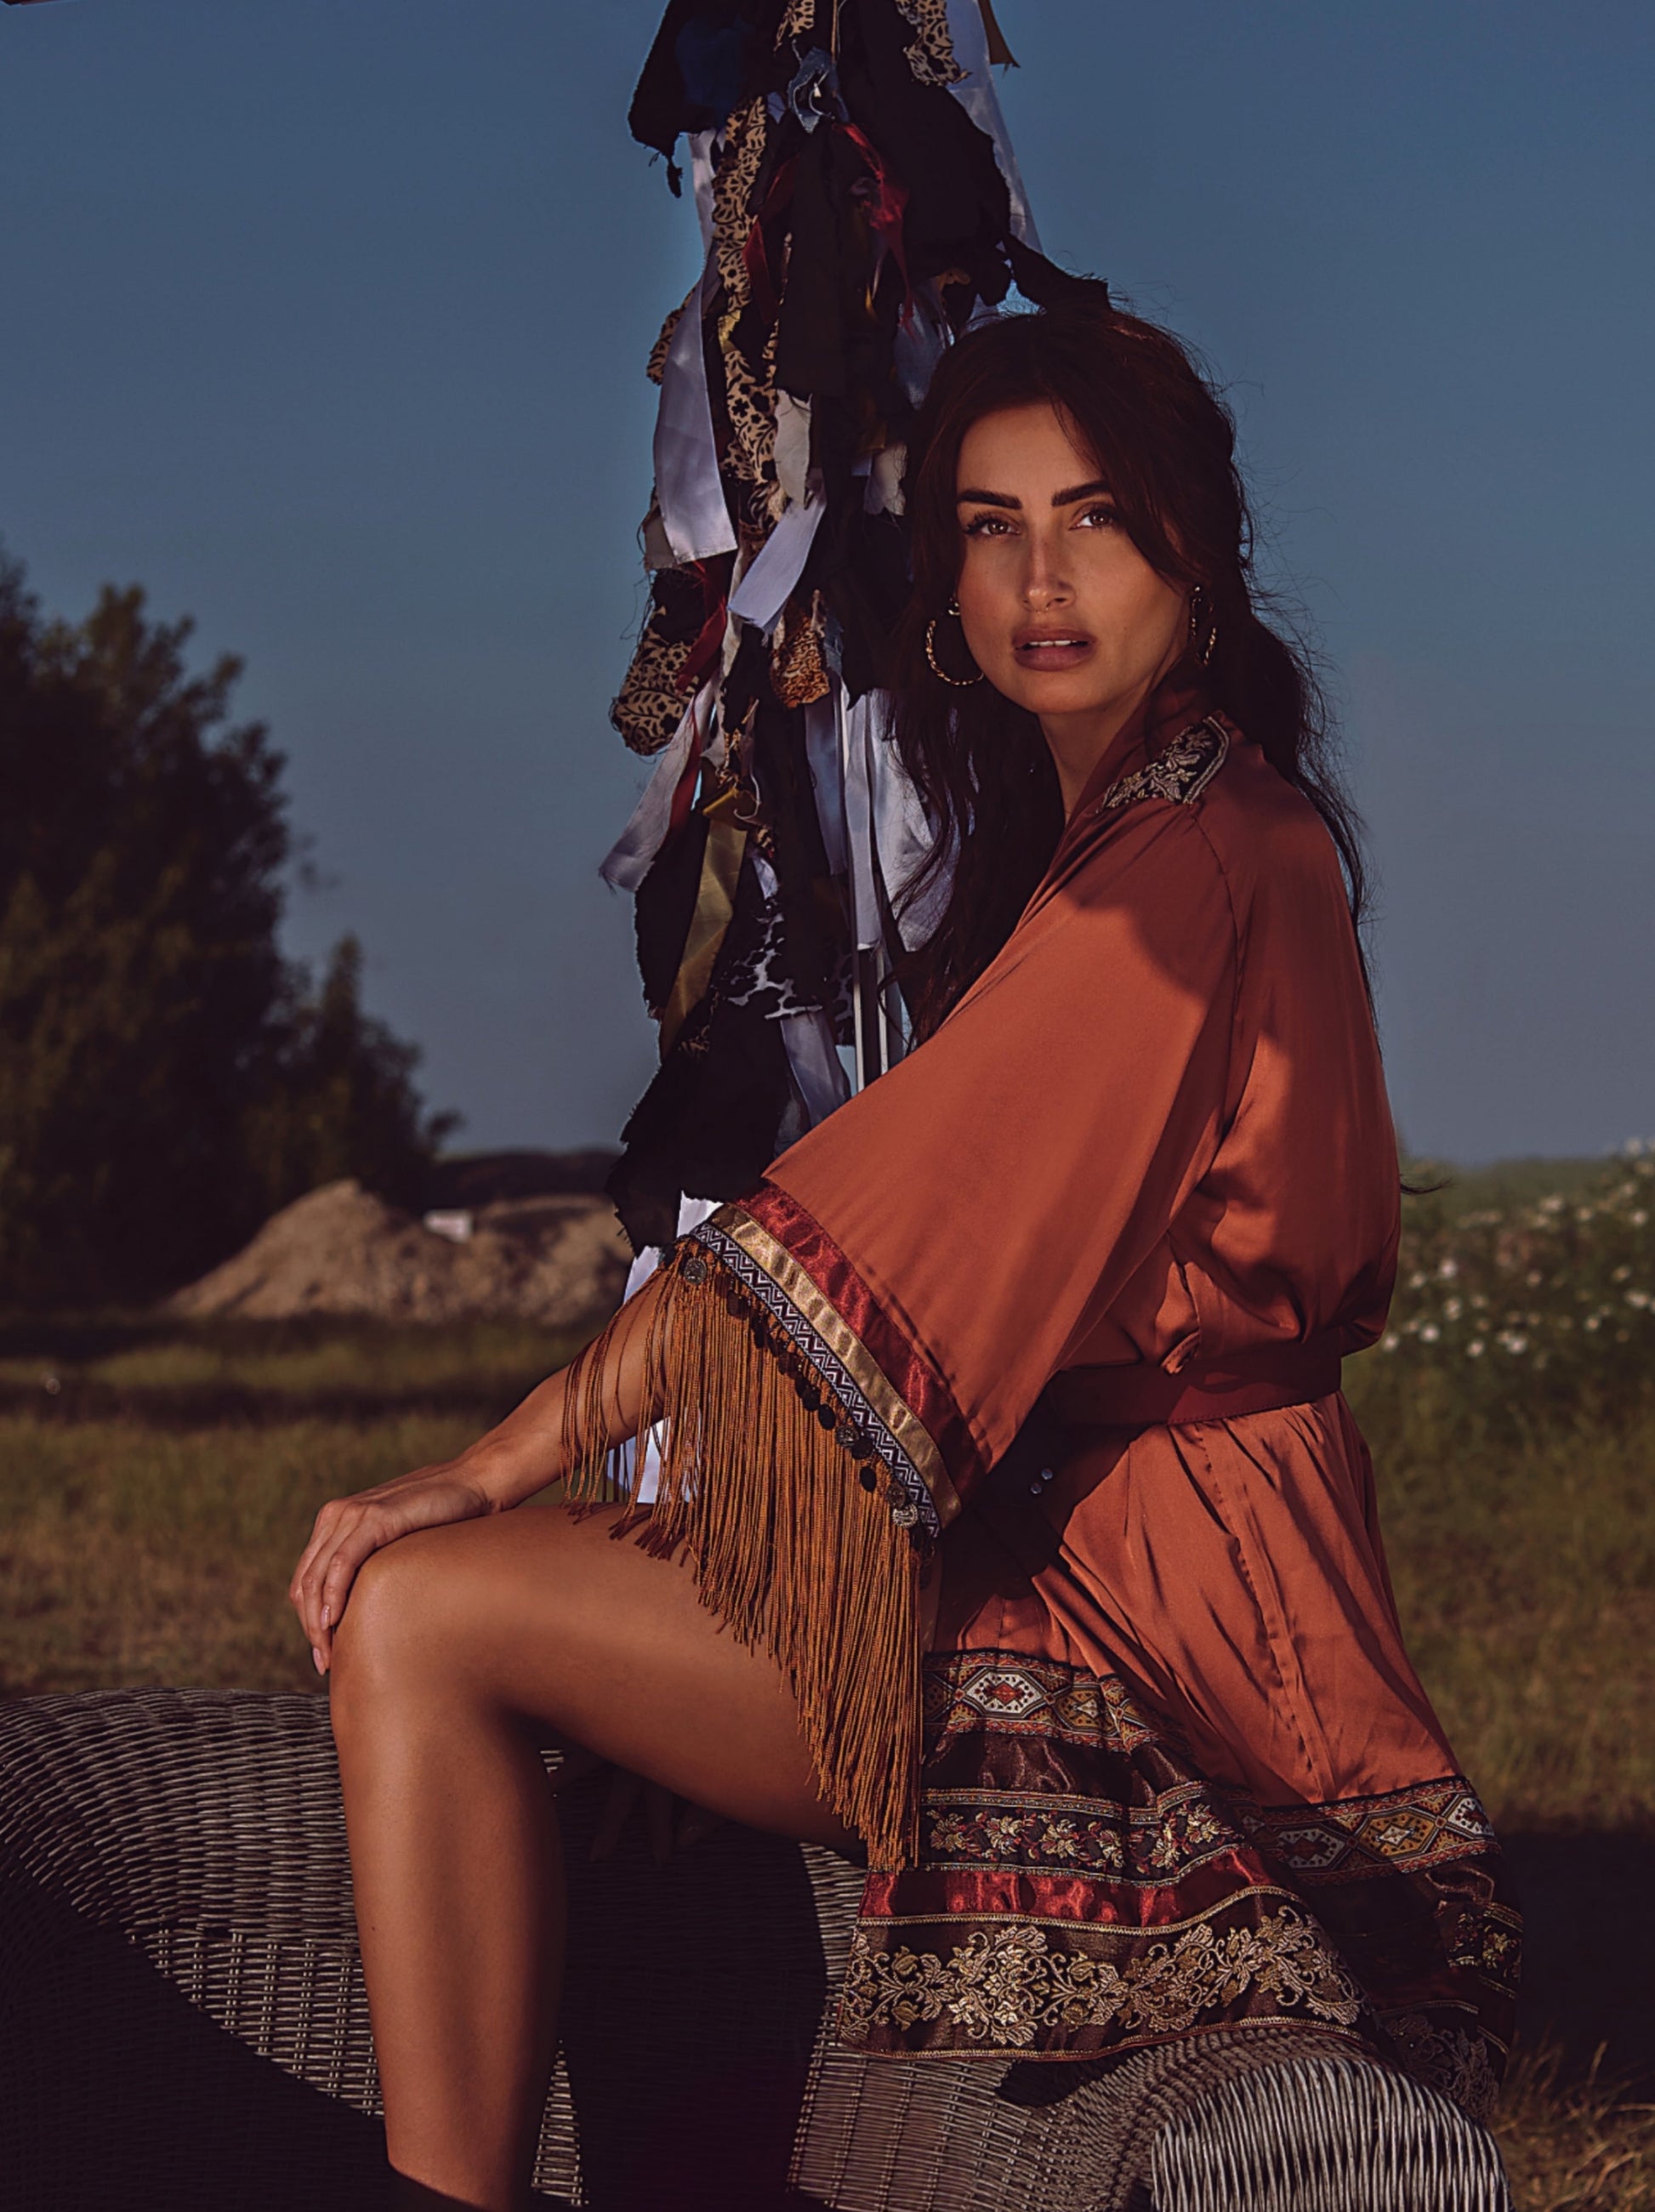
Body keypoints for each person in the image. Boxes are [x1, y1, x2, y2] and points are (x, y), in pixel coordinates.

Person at [289, 298, 1519, 2212]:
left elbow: (869, 1220)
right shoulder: (1166, 821)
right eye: (987, 524)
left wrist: (493, 1459)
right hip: (1099, 1544)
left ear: (1196, 549)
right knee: (453, 1605)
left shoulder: (1185, 862)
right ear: (941, 571)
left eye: (1093, 518)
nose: (1041, 580)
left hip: (1160, 1614)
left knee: (422, 1604)